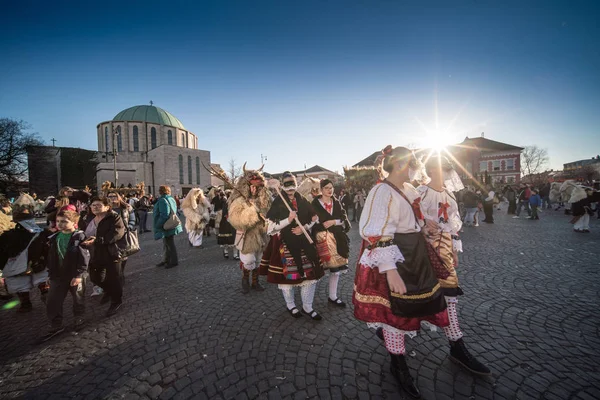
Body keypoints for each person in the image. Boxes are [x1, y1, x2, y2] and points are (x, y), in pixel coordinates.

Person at [353, 146, 449, 398]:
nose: (416, 169)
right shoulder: (380, 191)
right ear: (400, 165)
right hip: (396, 257)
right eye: (413, 164)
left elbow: (412, 222)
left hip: (415, 254)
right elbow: (373, 230)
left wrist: (424, 230)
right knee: (394, 313)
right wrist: (390, 270)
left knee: (414, 305)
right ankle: (398, 364)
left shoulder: (408, 190)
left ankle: (399, 354)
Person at [417, 155, 490, 377]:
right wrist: (422, 226)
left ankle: (456, 345)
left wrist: (453, 247)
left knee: (448, 295)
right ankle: (395, 326)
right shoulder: (421, 192)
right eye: (442, 169)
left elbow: (451, 223)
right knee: (419, 293)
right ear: (431, 170)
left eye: (447, 170)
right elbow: (409, 220)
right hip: (424, 251)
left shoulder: (449, 194)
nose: (447, 173)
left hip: (444, 251)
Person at [261, 171, 323, 319]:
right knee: (287, 278)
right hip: (285, 244)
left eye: (293, 184)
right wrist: (288, 220)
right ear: (282, 185)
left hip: (304, 244)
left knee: (310, 275)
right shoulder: (278, 202)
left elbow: (314, 218)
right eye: (287, 184)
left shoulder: (301, 199)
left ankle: (308, 307)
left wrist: (305, 227)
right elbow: (270, 227)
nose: (290, 188)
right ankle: (291, 305)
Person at [41, 210, 89, 341]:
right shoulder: (54, 237)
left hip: (75, 274)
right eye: (58, 221)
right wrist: (50, 274)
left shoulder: (79, 237)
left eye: (64, 221)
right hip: (58, 276)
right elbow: (51, 258)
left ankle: (79, 317)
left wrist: (79, 274)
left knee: (78, 298)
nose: (60, 224)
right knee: (53, 300)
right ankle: (56, 324)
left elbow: (84, 257)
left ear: (74, 223)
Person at [0, 194, 50, 312]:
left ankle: (44, 299)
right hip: (22, 261)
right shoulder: (8, 236)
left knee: (41, 279)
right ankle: (27, 303)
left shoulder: (41, 232)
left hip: (35, 261)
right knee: (22, 283)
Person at [227, 164, 272, 293]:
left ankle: (255, 282)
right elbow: (237, 220)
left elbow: (267, 212)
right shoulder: (239, 200)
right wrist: (251, 206)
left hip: (261, 234)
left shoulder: (264, 198)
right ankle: (245, 280)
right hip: (247, 235)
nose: (256, 189)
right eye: (253, 186)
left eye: (258, 187)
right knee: (248, 260)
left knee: (258, 260)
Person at [80, 197, 125, 317]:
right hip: (94, 253)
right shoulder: (88, 218)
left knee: (113, 278)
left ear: (107, 207)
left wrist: (98, 240)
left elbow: (117, 233)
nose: (95, 207)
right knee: (95, 278)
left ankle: (116, 301)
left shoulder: (113, 217)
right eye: (93, 205)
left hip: (111, 252)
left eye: (98, 205)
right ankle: (109, 291)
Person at [311, 179, 351, 307]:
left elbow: (344, 219)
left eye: (331, 188)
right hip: (321, 241)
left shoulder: (337, 202)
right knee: (316, 272)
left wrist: (333, 222)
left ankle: (332, 296)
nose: (330, 190)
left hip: (337, 240)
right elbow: (310, 222)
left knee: (336, 271)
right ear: (321, 189)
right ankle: (307, 303)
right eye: (327, 188)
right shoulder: (314, 204)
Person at [153, 186, 183, 268]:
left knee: (169, 243)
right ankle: (166, 260)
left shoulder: (163, 200)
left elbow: (164, 215)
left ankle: (173, 261)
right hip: (170, 223)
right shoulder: (171, 199)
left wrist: (158, 224)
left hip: (166, 224)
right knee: (167, 243)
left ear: (161, 191)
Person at [218, 191, 238, 259]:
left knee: (235, 238)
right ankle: (226, 251)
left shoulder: (237, 204)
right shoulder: (226, 203)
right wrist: (228, 217)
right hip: (226, 223)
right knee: (226, 239)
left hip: (235, 223)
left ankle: (235, 254)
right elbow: (224, 213)